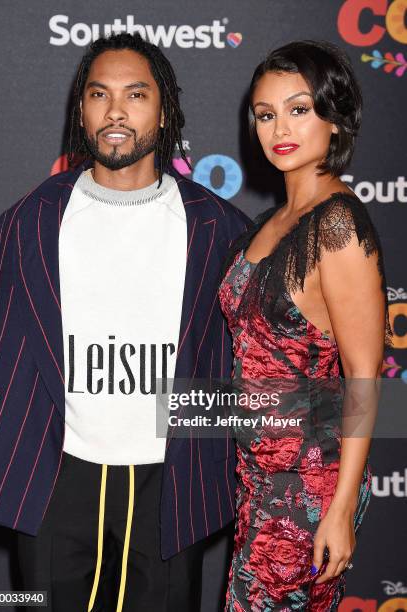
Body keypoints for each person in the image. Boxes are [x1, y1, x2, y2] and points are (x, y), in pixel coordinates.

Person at [0, 33, 251, 611]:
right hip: (56, 480)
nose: (117, 111)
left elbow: (240, 366)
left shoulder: (220, 230)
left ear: (165, 108)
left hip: (171, 482)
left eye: (136, 94)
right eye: (99, 94)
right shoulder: (28, 224)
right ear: (81, 109)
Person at [218, 40, 391, 610]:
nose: (278, 128)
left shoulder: (337, 222)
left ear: (334, 119)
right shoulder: (270, 222)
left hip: (306, 489)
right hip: (257, 480)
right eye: (266, 115)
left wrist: (340, 510)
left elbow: (365, 374)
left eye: (299, 108)